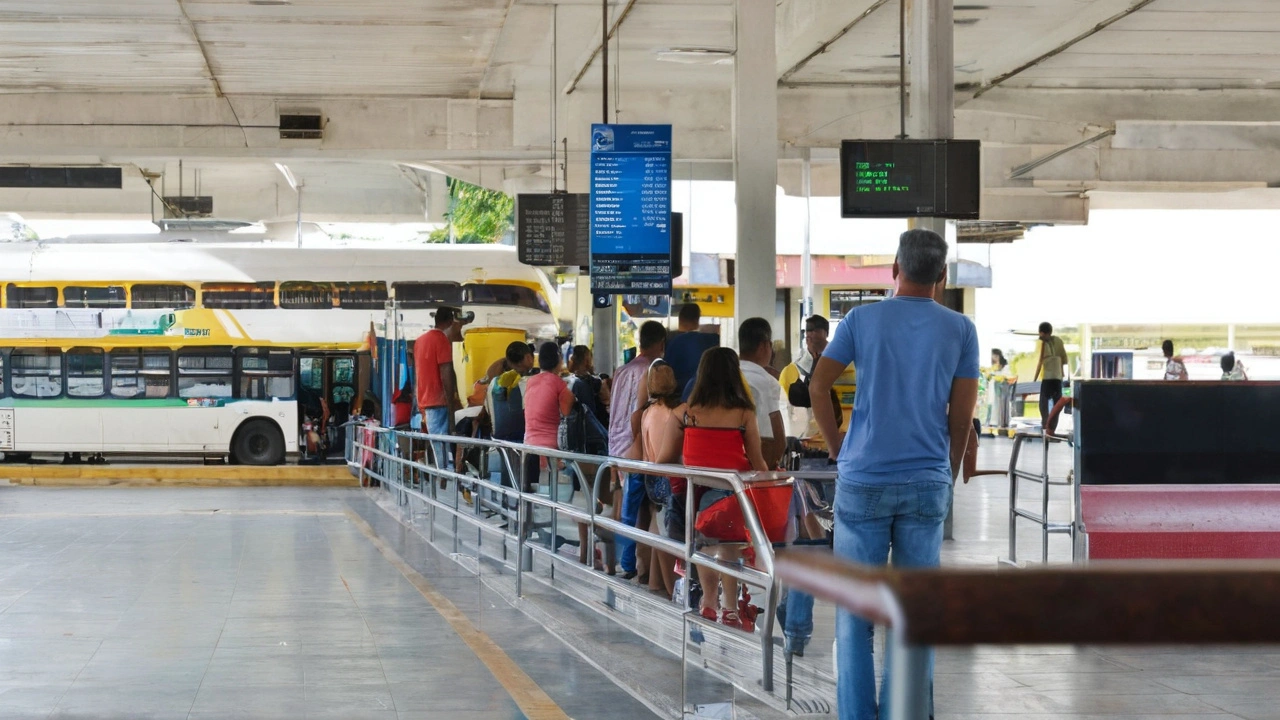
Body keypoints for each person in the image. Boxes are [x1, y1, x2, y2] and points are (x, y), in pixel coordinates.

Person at [809, 228, 979, 720]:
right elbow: (961, 418)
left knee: (854, 616)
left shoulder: (861, 320)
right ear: (941, 278)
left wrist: (841, 447)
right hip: (926, 480)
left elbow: (820, 387)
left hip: (863, 480)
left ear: (894, 271)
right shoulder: (960, 330)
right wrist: (943, 472)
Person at [654, 348, 769, 629]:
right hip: (732, 494)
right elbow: (757, 462)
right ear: (734, 376)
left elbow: (663, 460)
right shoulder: (744, 414)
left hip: (694, 495)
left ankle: (708, 601)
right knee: (729, 548)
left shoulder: (684, 414)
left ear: (701, 375)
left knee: (704, 546)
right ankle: (729, 607)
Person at [776, 313, 844, 657]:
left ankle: (794, 622)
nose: (811, 338)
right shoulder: (791, 372)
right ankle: (796, 630)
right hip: (802, 464)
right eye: (807, 333)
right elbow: (785, 413)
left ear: (826, 335)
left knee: (823, 548)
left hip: (838, 464)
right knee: (807, 546)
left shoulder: (847, 370)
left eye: (817, 333)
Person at [608, 320, 668, 580]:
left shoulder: (622, 370)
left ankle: (628, 563)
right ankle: (633, 565)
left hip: (617, 447)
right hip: (638, 448)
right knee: (641, 511)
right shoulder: (652, 370)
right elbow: (637, 414)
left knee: (625, 510)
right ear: (661, 344)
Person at [625, 359, 685, 599]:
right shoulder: (675, 412)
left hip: (651, 478)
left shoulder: (646, 413)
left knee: (656, 527)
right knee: (668, 534)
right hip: (671, 477)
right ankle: (673, 589)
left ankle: (655, 581)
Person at [414, 306, 463, 468]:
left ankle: (442, 480)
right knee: (443, 447)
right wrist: (451, 403)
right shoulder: (441, 339)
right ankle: (447, 483)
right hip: (439, 401)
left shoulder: (420, 341)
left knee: (436, 446)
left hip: (425, 402)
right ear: (450, 322)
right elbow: (446, 371)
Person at [737, 317, 785, 469]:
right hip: (754, 463)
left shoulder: (727, 374)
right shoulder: (766, 382)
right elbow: (775, 434)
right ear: (765, 345)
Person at [664, 303, 719, 396]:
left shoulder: (670, 342)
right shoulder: (709, 340)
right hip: (703, 393)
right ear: (697, 320)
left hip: (676, 395)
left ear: (680, 319)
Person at [1033, 321, 1068, 424]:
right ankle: (1049, 427)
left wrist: (1034, 379)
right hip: (1055, 378)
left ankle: (1047, 427)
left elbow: (1040, 361)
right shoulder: (1056, 341)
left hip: (1050, 378)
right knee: (1054, 405)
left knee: (1045, 405)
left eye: (1043, 334)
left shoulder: (1045, 343)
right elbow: (1063, 359)